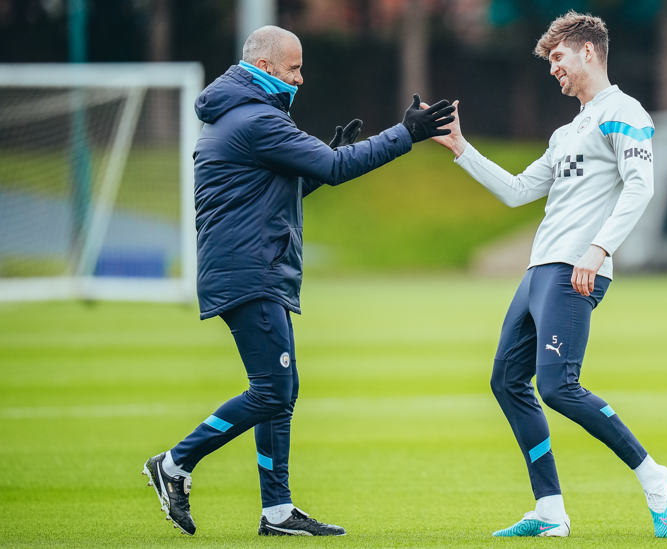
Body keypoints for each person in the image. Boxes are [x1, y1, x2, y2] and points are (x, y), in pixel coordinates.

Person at [141, 25, 455, 537]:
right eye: (294, 69)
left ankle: (278, 511)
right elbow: (334, 169)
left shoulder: (239, 115)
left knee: (279, 389)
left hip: (249, 266)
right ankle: (174, 463)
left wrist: (319, 159)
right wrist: (406, 134)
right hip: (251, 271)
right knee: (272, 391)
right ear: (264, 69)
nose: (301, 79)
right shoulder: (256, 119)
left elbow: (273, 192)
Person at [425, 11, 667, 539]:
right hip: (541, 270)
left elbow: (641, 186)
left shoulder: (624, 111)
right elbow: (518, 190)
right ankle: (549, 510)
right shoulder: (567, 132)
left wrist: (598, 250)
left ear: (589, 51)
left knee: (559, 387)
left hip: (577, 268)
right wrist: (460, 148)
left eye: (558, 58)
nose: (553, 70)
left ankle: (655, 476)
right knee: (506, 381)